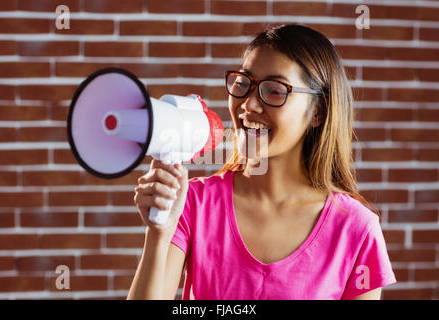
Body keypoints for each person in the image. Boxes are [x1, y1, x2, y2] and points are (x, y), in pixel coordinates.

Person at [127, 24, 396, 300]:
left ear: (318, 111)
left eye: (275, 90)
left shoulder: (357, 229)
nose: (248, 105)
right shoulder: (192, 203)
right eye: (243, 84)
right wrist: (159, 233)